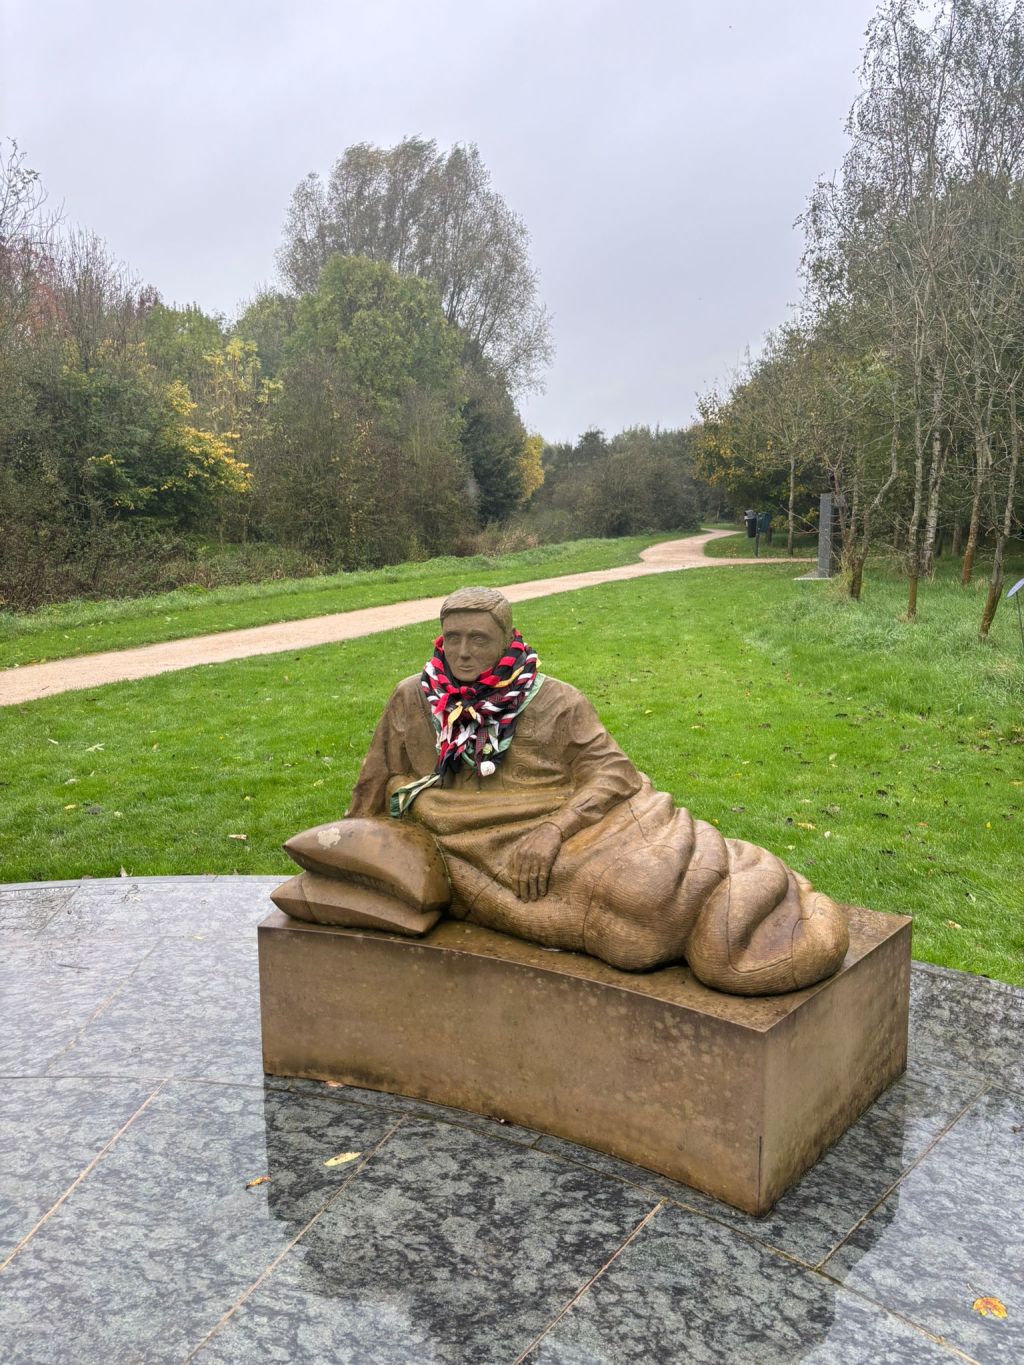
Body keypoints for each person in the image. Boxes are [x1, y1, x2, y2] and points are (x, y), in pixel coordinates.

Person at [322, 586, 849, 996]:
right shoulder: (413, 697)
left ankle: (759, 888)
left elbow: (614, 773)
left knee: (651, 896)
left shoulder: (555, 700)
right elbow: (373, 782)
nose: (462, 652)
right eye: (452, 637)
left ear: (506, 639)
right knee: (633, 932)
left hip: (574, 824)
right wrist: (346, 853)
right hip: (470, 837)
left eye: (477, 639)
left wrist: (554, 830)